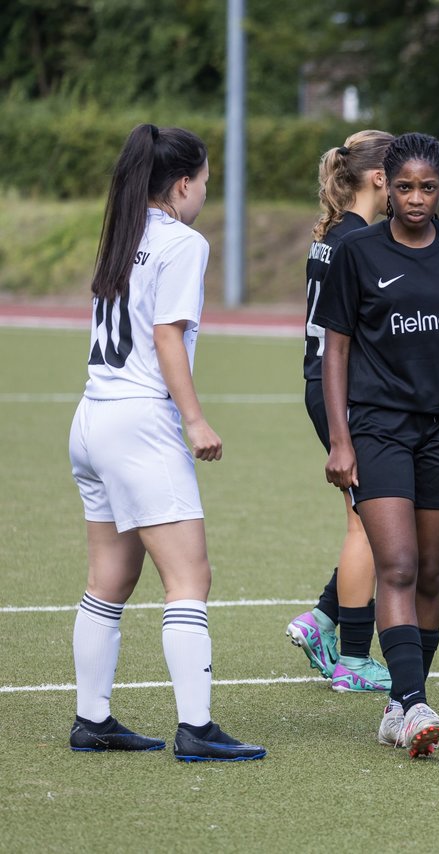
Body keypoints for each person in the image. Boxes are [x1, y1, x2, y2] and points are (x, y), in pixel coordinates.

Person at [67, 123, 265, 761]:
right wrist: (195, 419)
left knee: (110, 577)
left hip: (93, 417)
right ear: (183, 184)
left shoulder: (121, 232)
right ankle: (197, 729)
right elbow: (167, 335)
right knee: (189, 577)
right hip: (139, 423)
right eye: (205, 181)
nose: (206, 192)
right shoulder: (183, 242)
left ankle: (93, 719)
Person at [315, 132, 439, 759]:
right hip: (377, 427)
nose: (416, 198)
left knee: (431, 574)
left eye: (428, 188)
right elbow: (336, 349)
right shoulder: (358, 252)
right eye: (405, 187)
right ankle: (415, 700)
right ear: (385, 186)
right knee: (396, 565)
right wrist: (340, 438)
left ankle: (400, 705)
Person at [286, 130, 395, 692]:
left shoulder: (337, 234)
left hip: (326, 387)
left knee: (374, 519)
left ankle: (323, 619)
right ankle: (353, 659)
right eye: (399, 175)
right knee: (370, 524)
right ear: (380, 179)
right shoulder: (358, 243)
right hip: (342, 393)